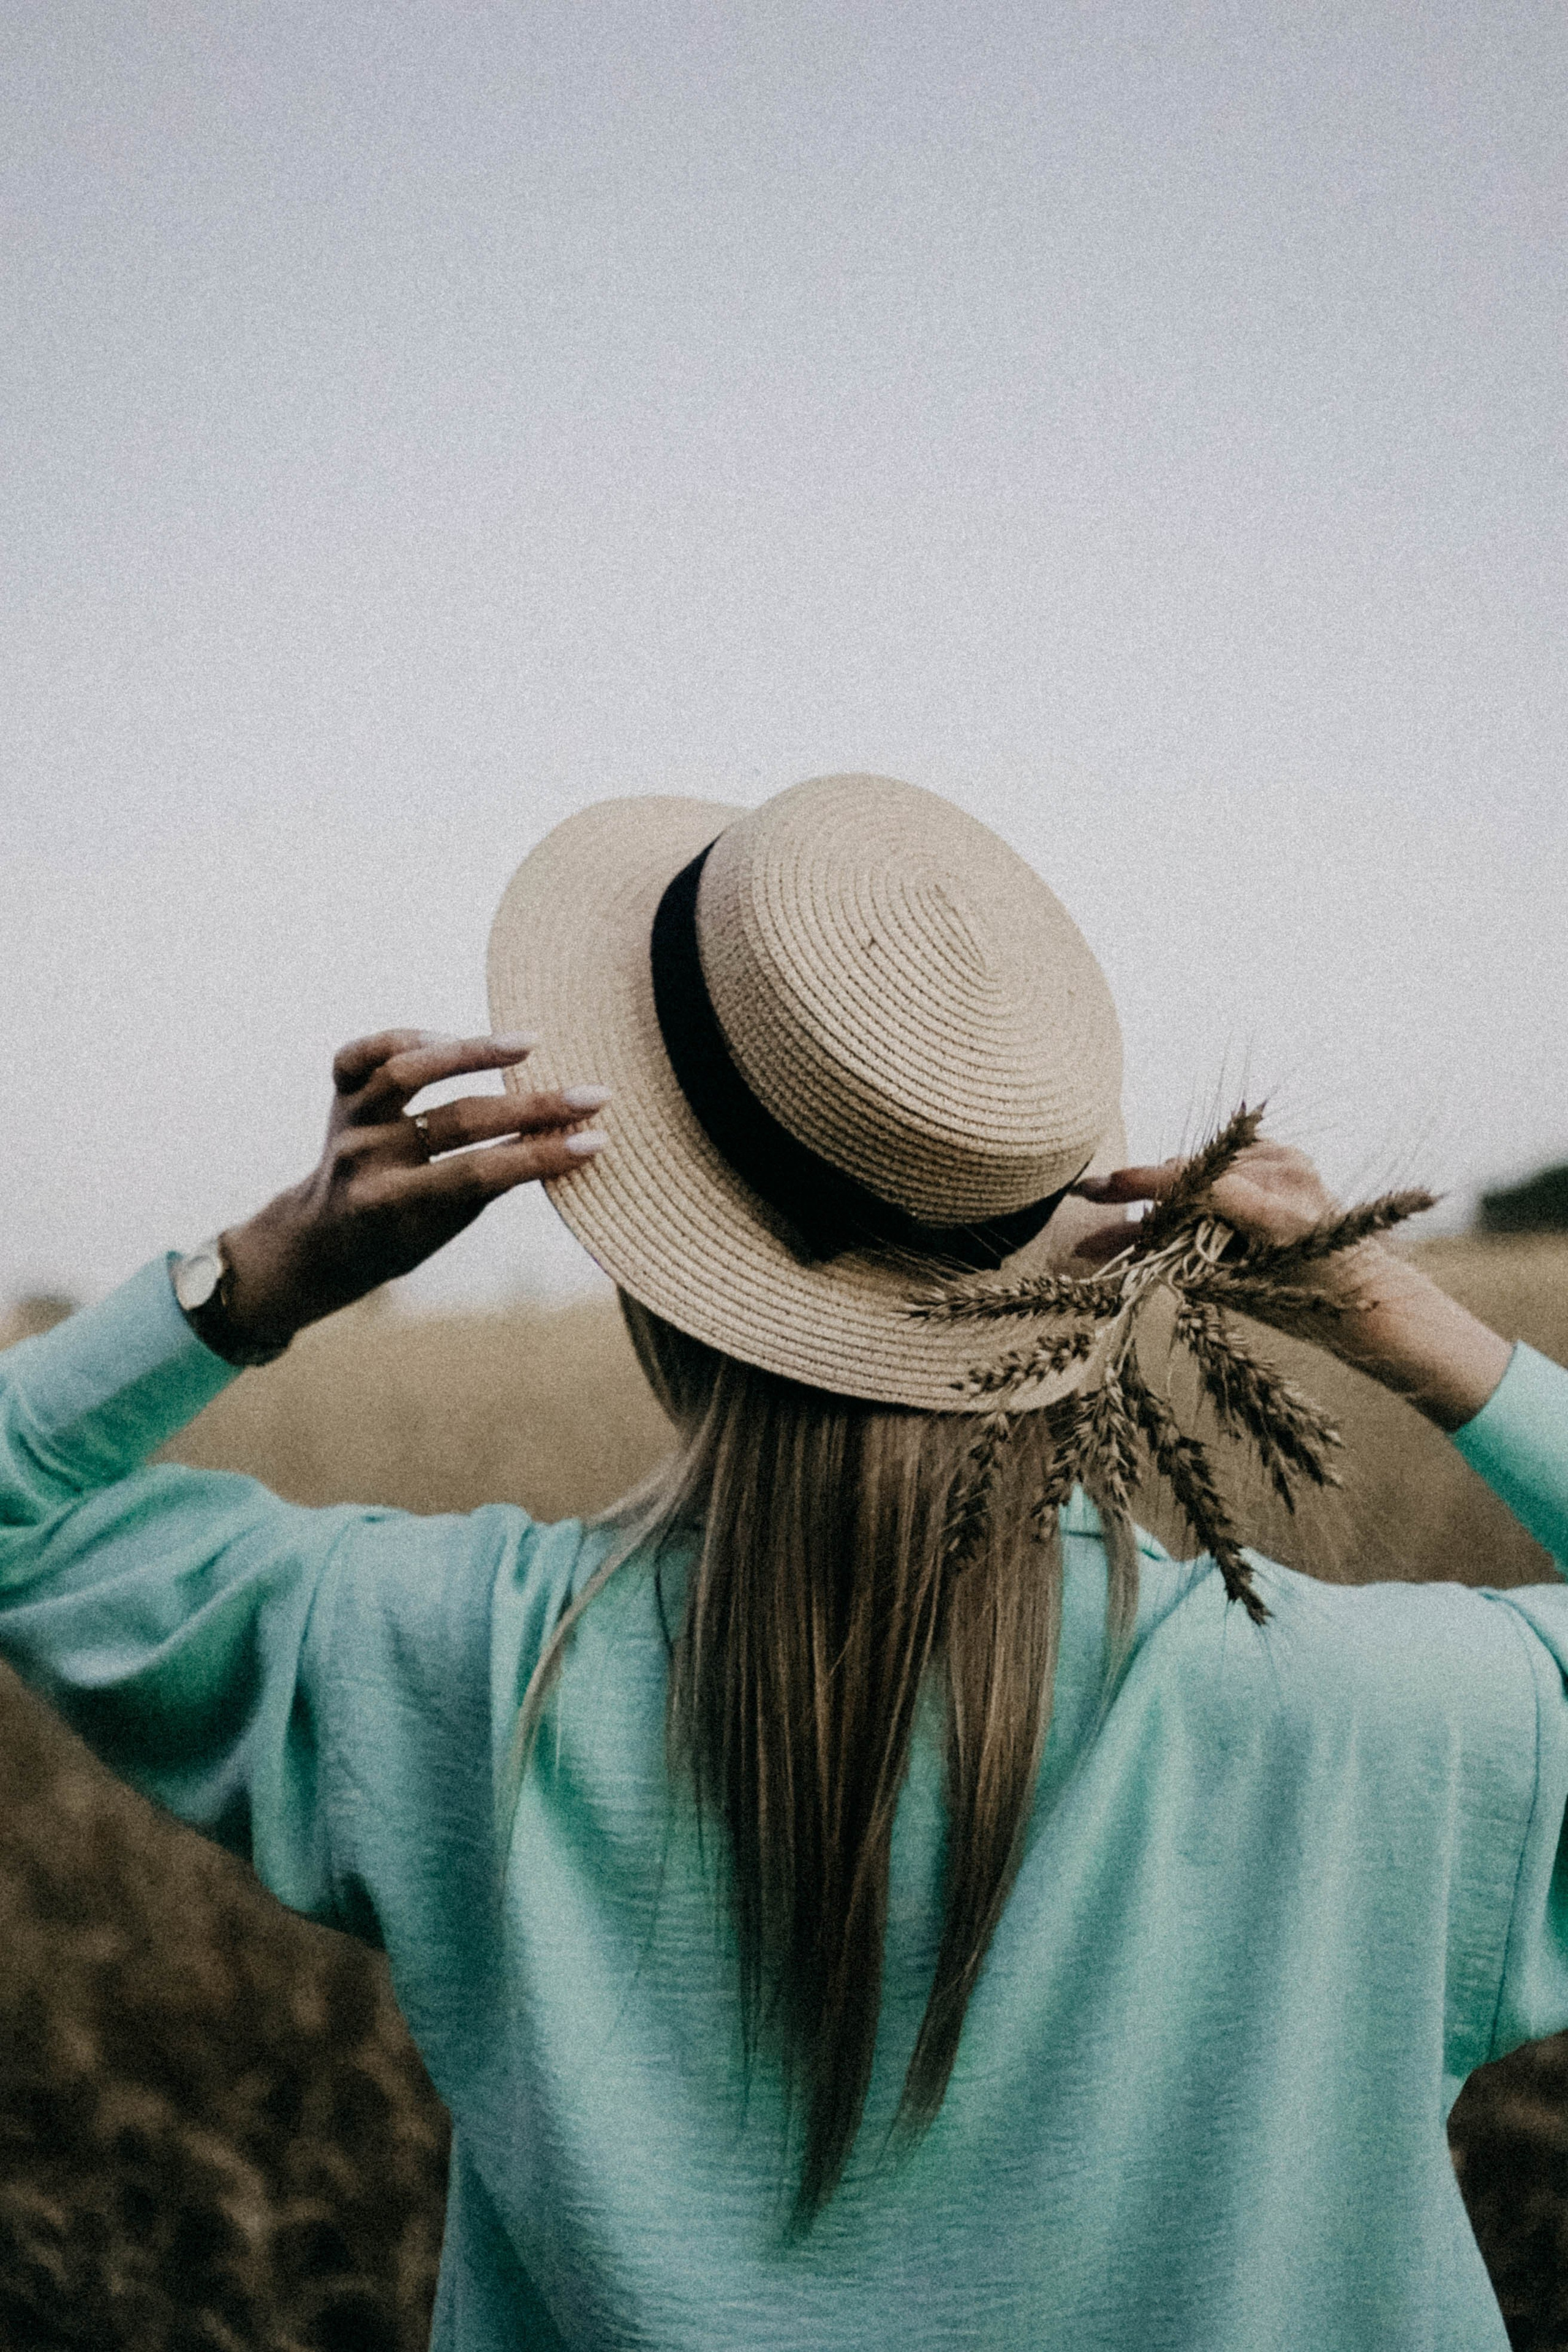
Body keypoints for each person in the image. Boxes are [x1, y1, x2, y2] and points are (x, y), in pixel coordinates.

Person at [1, 771, 1564, 2352]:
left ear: (647, 1261)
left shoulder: (460, 1668)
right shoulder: (1396, 1730)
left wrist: (263, 1268)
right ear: (1058, 1245)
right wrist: (1407, 1321)